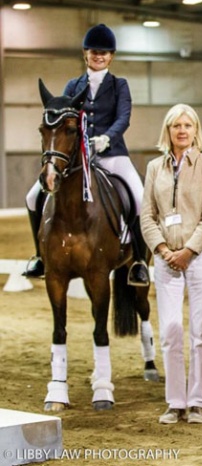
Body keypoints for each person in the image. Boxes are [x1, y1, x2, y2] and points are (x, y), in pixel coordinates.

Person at [24, 23, 150, 286]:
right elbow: (64, 118)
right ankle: (39, 256)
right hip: (77, 158)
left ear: (111, 56)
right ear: (85, 53)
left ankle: (138, 261)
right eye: (94, 51)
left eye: (104, 52)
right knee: (32, 196)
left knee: (137, 196)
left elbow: (123, 117)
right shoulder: (73, 85)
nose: (99, 56)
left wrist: (107, 138)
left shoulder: (119, 85)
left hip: (112, 153)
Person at [140, 104, 202, 425]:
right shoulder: (153, 168)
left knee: (200, 333)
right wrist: (161, 247)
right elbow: (147, 214)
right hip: (165, 258)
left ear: (195, 129)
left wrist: (189, 249)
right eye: (176, 125)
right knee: (171, 331)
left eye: (188, 125)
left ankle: (197, 402)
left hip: (201, 256)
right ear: (168, 130)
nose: (182, 130)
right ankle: (175, 402)